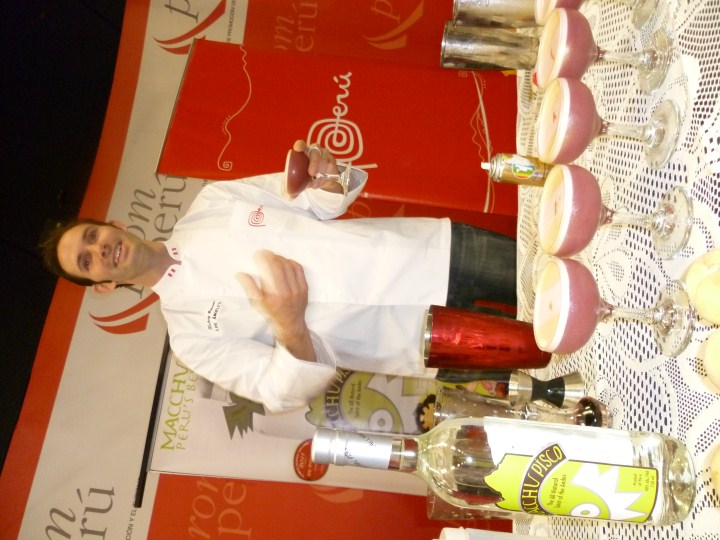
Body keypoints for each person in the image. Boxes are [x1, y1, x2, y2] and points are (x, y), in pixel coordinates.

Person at [41, 140, 517, 412]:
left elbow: (312, 198)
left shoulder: (212, 203)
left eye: (93, 236)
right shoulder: (188, 337)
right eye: (87, 261)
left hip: (429, 253)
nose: (99, 250)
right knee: (544, 360)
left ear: (114, 224)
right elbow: (276, 393)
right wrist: (290, 327)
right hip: (417, 340)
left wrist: (326, 175)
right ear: (104, 285)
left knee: (550, 271)